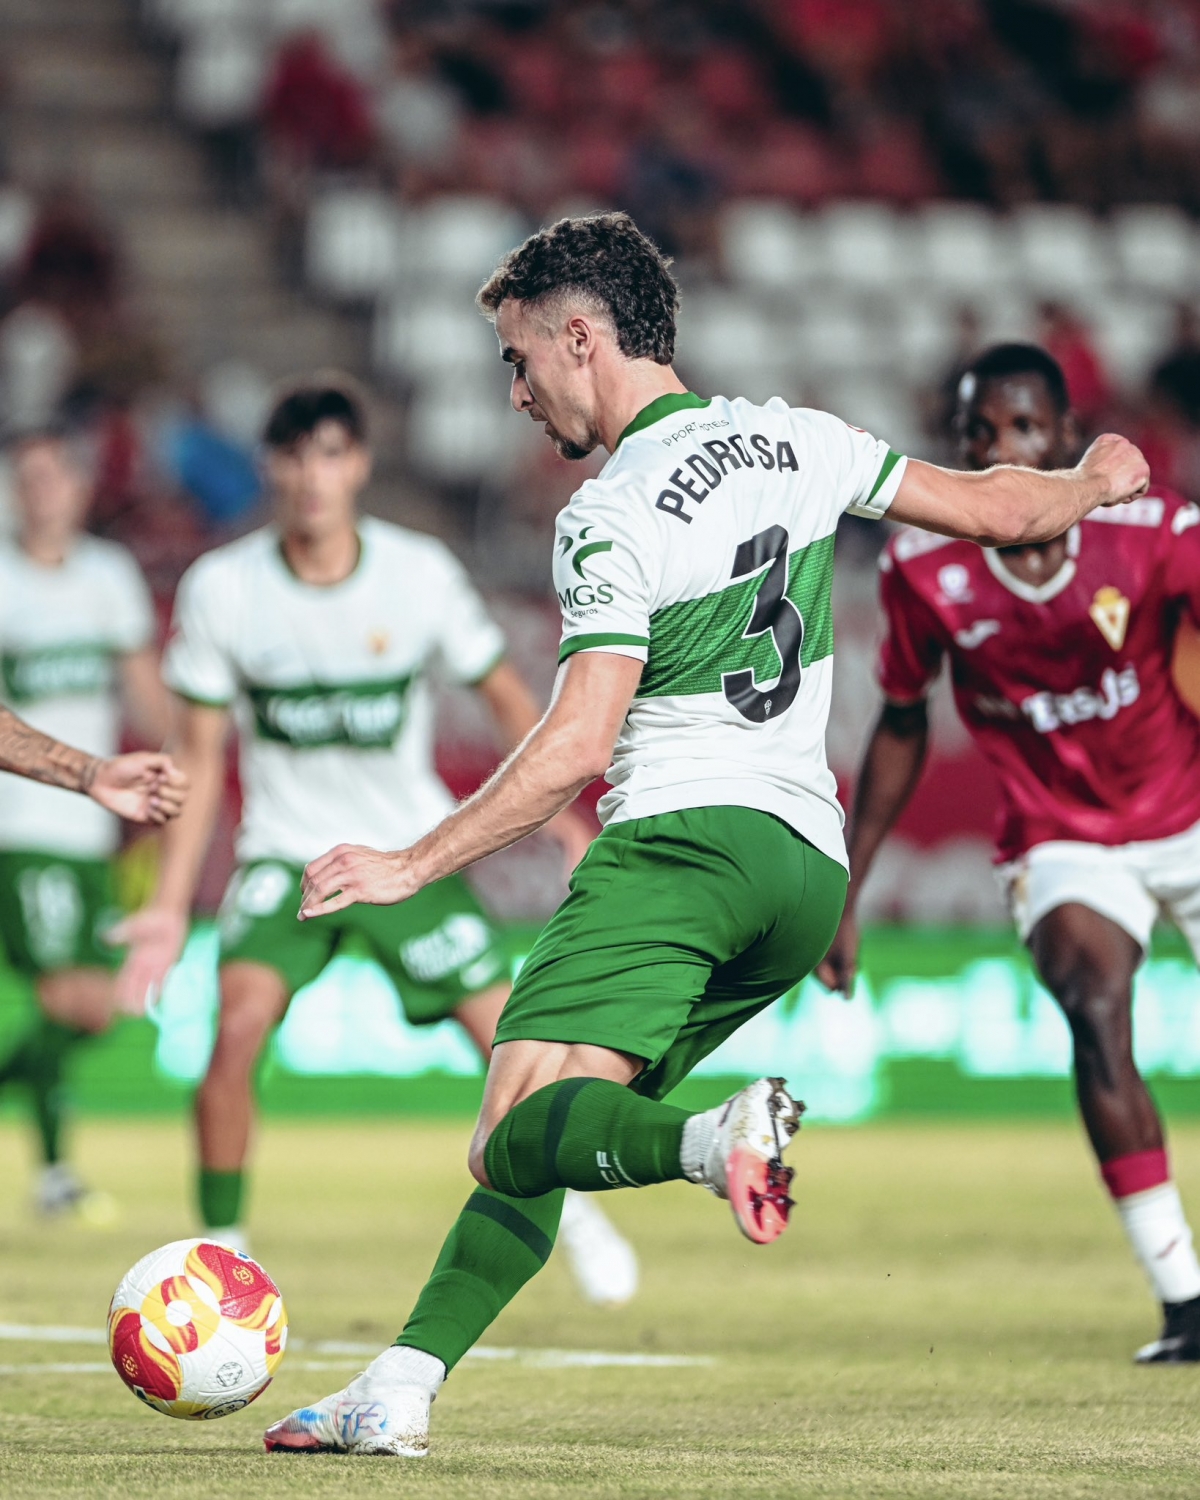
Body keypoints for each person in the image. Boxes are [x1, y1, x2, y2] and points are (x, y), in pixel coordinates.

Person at [261, 214, 1151, 1458]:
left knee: (510, 1125)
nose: (516, 393)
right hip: (801, 872)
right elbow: (1003, 514)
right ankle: (398, 1387)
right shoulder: (801, 434)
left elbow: (576, 746)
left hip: (684, 843)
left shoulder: (611, 510)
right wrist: (1096, 485)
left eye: (520, 360)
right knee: (558, 1129)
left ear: (585, 336)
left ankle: (710, 1137)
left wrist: (410, 860)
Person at [114, 375, 639, 1307]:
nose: (312, 477)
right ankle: (220, 1258)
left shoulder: (417, 573)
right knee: (233, 1035)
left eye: (330, 455)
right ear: (271, 467)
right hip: (287, 856)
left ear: (356, 464)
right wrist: (165, 907)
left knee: (510, 1042)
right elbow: (192, 759)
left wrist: (561, 813)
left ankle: (581, 1220)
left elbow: (509, 699)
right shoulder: (224, 589)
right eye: (293, 456)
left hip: (405, 851)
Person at [816, 342, 1200, 1365]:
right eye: (979, 435)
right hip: (1061, 835)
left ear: (1066, 437)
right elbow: (900, 722)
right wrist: (848, 889)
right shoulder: (923, 565)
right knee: (1093, 997)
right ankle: (1186, 1300)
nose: (1001, 452)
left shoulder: (1156, 528)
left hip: (1189, 813)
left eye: (1023, 429)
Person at [0, 426, 180, 1216]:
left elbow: (145, 691)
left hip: (90, 829)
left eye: (54, 476)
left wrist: (185, 760)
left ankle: (52, 1174)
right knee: (69, 1001)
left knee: (97, 1006)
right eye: (26, 477)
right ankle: (54, 1176)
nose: (40, 491)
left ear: (79, 489)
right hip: (21, 826)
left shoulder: (107, 577)